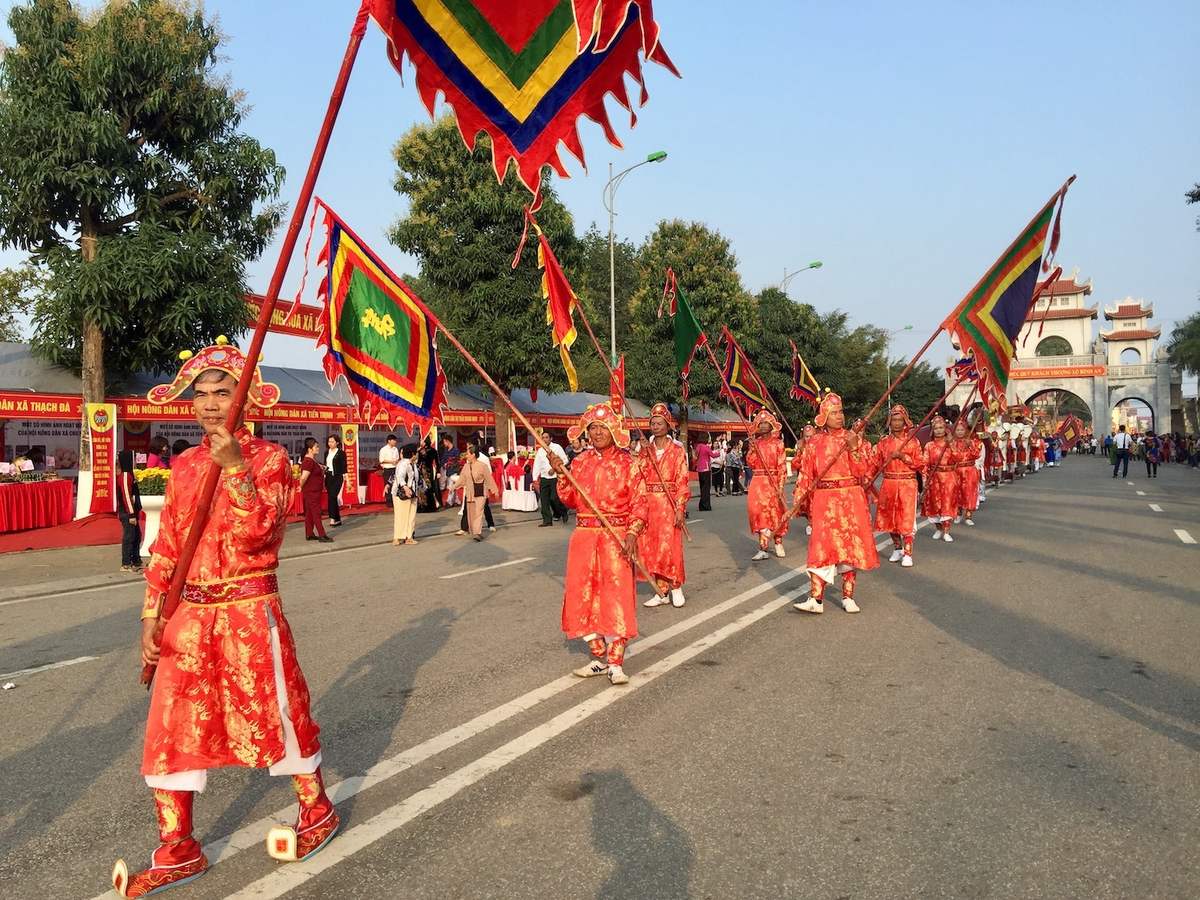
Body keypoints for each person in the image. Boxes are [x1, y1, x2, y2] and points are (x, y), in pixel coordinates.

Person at [113, 338, 336, 897]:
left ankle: (316, 811)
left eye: (224, 391)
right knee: (171, 726)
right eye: (202, 394)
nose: (212, 403)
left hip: (248, 610)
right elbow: (167, 547)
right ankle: (178, 846)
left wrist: (235, 468)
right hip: (190, 614)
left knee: (277, 712)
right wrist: (151, 616)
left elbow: (260, 534)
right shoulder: (184, 466)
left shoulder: (272, 461)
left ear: (248, 398)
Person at [553, 403, 646, 686]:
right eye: (592, 428)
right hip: (584, 535)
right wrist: (561, 474)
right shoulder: (580, 462)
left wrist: (632, 533)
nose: (596, 433)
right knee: (582, 595)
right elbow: (568, 500)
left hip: (615, 536)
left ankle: (615, 662)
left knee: (615, 597)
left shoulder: (629, 463)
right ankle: (598, 654)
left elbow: (640, 502)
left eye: (602, 428)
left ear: (613, 431)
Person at [792, 392, 879, 614]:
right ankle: (816, 599)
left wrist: (853, 448)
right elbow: (805, 476)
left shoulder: (853, 438)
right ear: (824, 416)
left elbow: (863, 472)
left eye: (841, 412)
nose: (839, 416)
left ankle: (848, 596)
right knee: (821, 547)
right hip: (824, 500)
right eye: (834, 412)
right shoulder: (814, 443)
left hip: (851, 498)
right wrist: (799, 501)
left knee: (849, 547)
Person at [637, 404, 691, 609]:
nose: (656, 426)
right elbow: (638, 474)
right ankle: (661, 590)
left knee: (670, 547)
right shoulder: (646, 449)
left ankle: (675, 586)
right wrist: (642, 453)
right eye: (653, 423)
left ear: (668, 425)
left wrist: (680, 508)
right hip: (649, 504)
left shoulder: (677, 451)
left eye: (660, 423)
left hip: (668, 504)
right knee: (652, 548)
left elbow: (682, 480)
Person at [873, 404, 923, 567]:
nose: (896, 423)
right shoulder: (883, 443)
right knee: (890, 518)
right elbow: (875, 463)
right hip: (888, 483)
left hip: (907, 484)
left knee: (906, 518)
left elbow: (921, 464)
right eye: (894, 419)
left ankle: (908, 553)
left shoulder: (913, 441)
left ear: (905, 421)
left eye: (899, 420)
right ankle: (897, 548)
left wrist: (903, 457)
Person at [745, 409, 789, 560]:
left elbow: (782, 466)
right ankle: (763, 548)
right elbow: (750, 464)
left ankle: (778, 542)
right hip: (758, 481)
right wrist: (751, 449)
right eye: (760, 423)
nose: (763, 426)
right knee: (758, 513)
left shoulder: (778, 444)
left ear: (772, 425)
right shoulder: (755, 443)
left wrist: (780, 486)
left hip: (773, 481)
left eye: (766, 423)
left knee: (775, 513)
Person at [923, 415, 959, 542]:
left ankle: (947, 530)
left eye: (941, 427)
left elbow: (957, 459)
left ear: (945, 429)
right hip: (934, 478)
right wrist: (924, 480)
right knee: (935, 504)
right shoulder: (929, 445)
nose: (939, 430)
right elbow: (925, 464)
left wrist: (951, 445)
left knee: (947, 503)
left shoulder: (951, 443)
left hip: (949, 477)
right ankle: (938, 528)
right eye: (936, 428)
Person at [460, 444, 498, 541]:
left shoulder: (483, 464)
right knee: (472, 514)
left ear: (473, 454)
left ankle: (477, 532)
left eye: (468, 453)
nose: (466, 455)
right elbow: (461, 479)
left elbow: (489, 479)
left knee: (478, 512)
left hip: (481, 492)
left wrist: (495, 490)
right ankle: (475, 531)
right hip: (470, 493)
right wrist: (453, 486)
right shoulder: (466, 466)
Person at [299, 438, 332, 544]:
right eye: (316, 447)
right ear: (310, 449)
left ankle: (309, 533)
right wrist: (300, 486)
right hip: (311, 491)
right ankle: (322, 535)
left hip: (314, 491)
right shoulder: (308, 461)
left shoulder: (312, 460)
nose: (318, 448)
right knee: (316, 513)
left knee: (309, 512)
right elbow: (304, 477)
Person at [532, 431, 568, 527]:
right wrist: (534, 478)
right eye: (543, 437)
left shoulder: (557, 448)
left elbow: (565, 460)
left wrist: (555, 468)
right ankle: (547, 520)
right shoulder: (540, 451)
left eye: (546, 437)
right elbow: (537, 465)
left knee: (554, 498)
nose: (544, 439)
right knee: (544, 500)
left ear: (551, 438)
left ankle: (563, 511)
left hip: (554, 477)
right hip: (544, 478)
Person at [951, 420, 982, 527]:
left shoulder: (971, 442)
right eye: (958, 430)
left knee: (970, 493)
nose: (960, 432)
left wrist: (971, 446)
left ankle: (968, 515)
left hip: (970, 471)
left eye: (962, 430)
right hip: (957, 471)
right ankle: (958, 513)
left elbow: (977, 455)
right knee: (957, 493)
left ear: (966, 430)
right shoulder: (952, 443)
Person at [117, 449, 143, 572]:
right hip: (127, 512)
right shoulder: (125, 476)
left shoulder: (130, 474)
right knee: (129, 537)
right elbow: (127, 496)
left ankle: (136, 561)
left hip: (132, 511)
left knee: (136, 536)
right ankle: (126, 563)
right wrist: (131, 514)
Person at [391, 445, 419, 545]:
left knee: (411, 516)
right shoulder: (403, 464)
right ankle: (397, 537)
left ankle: (409, 537)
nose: (417, 454)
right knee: (401, 515)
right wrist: (406, 487)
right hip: (402, 494)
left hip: (413, 493)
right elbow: (399, 477)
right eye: (416, 452)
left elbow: (415, 479)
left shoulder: (413, 464)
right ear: (412, 454)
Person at [324, 434, 346, 526]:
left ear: (337, 442)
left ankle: (332, 518)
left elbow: (344, 467)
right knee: (331, 497)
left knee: (333, 496)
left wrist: (347, 480)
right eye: (329, 441)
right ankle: (337, 519)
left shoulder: (341, 453)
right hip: (328, 476)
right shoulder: (326, 452)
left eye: (332, 441)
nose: (330, 443)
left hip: (337, 477)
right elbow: (326, 464)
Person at [418, 437, 441, 512]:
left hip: (428, 471)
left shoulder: (433, 450)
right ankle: (422, 506)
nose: (421, 442)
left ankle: (430, 507)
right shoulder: (419, 450)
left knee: (429, 488)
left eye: (422, 440)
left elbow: (437, 462)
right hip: (421, 471)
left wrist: (438, 472)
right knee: (421, 488)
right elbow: (418, 462)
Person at [379, 434, 400, 507]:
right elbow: (381, 461)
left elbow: (397, 458)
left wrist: (397, 462)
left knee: (395, 485)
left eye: (395, 440)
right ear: (389, 441)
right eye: (393, 440)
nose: (395, 442)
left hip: (395, 469)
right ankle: (389, 502)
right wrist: (391, 462)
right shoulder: (383, 449)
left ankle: (395, 501)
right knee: (388, 485)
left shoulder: (396, 449)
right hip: (387, 469)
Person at [694, 433, 713, 512]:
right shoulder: (706, 447)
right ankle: (706, 505)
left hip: (699, 469)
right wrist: (719, 452)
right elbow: (713, 455)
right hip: (706, 468)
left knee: (702, 488)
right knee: (706, 488)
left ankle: (701, 505)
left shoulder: (698, 447)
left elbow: (695, 456)